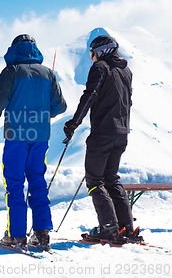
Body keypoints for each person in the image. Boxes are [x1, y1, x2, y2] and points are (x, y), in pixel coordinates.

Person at [0, 34, 67, 250]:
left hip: (17, 136)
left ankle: (16, 235)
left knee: (14, 183)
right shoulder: (48, 73)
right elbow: (60, 106)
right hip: (40, 136)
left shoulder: (11, 71)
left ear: (14, 49)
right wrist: (42, 114)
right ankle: (42, 233)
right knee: (37, 182)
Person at [63, 35, 142, 242]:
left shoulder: (101, 68)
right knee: (111, 178)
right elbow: (128, 101)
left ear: (102, 51)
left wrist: (73, 124)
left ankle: (109, 229)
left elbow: (89, 96)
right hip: (122, 133)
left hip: (103, 133)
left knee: (95, 181)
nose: (92, 58)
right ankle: (126, 227)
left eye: (93, 53)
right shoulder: (126, 70)